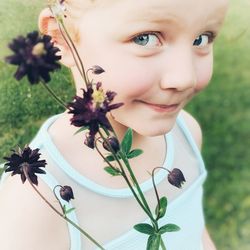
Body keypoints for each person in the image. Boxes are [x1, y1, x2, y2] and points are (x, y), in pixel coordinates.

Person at [0, 0, 229, 249]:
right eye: (145, 38)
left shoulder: (186, 134)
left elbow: (197, 236)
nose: (185, 77)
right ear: (60, 37)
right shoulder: (34, 200)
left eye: (202, 39)